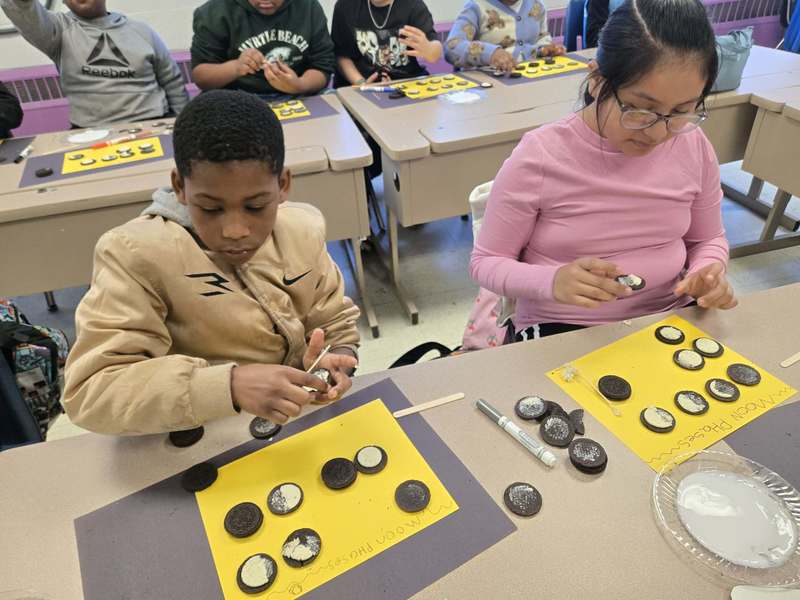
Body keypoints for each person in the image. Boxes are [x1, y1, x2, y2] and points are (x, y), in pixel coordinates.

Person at [63, 90, 360, 435]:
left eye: (255, 206)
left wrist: (335, 362)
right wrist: (227, 385)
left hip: (293, 424)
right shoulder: (134, 254)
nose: (235, 230)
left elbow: (336, 320)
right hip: (200, 434)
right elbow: (92, 389)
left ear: (282, 185)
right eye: (211, 208)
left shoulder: (302, 230)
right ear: (180, 186)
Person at [470, 0, 736, 343]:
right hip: (562, 328)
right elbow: (486, 262)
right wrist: (552, 281)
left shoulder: (693, 145)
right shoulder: (540, 156)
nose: (657, 133)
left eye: (681, 111)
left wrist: (707, 273)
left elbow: (708, 238)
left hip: (669, 315)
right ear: (597, 81)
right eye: (641, 109)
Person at [1, 0, 188, 129]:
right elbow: (23, 10)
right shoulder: (57, 30)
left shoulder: (142, 31)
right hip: (90, 131)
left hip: (154, 122)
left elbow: (172, 82)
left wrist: (182, 127)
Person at [191, 0, 335, 97]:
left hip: (299, 95)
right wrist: (235, 68)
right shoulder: (214, 12)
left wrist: (300, 85)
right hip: (237, 99)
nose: (265, 1)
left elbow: (323, 66)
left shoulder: (308, 6)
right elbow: (201, 77)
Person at [330, 0, 443, 87]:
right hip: (361, 86)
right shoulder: (345, 6)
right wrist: (361, 83)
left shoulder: (413, 5)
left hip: (406, 83)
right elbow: (341, 56)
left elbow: (435, 52)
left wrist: (428, 50)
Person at [444, 0, 565, 72]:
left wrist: (544, 49)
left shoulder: (536, 4)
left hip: (530, 81)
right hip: (488, 86)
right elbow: (452, 46)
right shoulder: (476, 6)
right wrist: (490, 54)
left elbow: (541, 38)